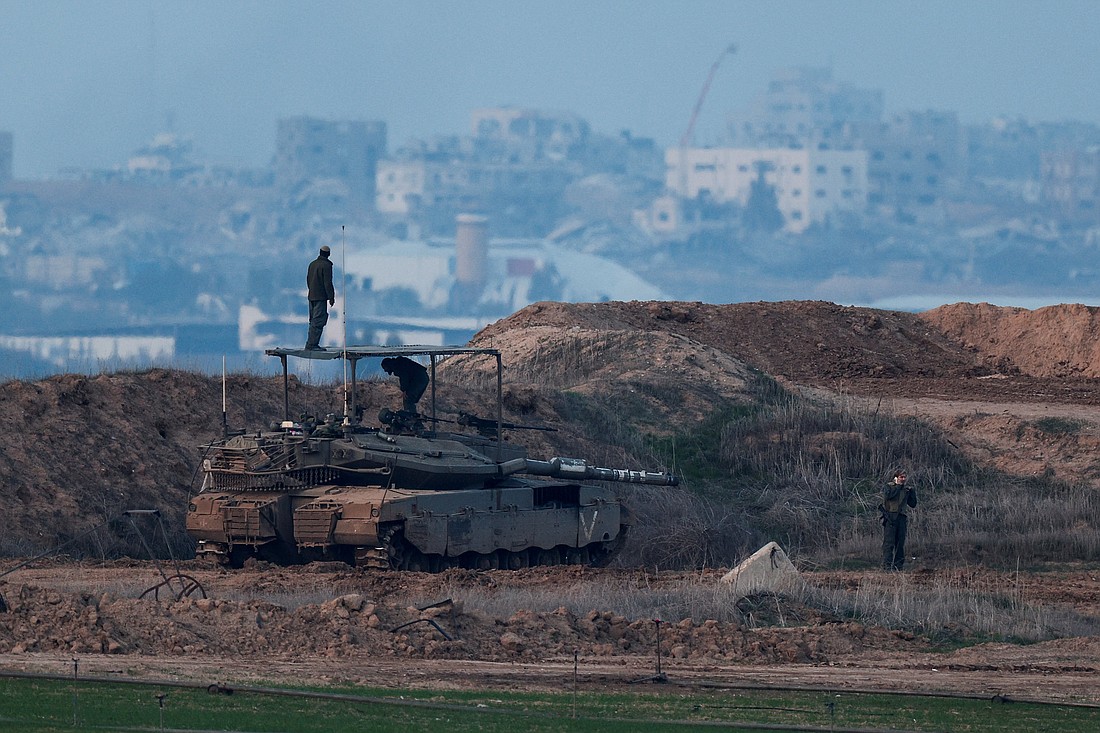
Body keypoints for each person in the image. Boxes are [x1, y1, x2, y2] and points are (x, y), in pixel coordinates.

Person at [880, 470, 918, 571]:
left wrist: (912, 493)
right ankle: (887, 566)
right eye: (901, 477)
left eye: (904, 477)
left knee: (900, 543)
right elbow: (889, 496)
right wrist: (898, 486)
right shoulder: (889, 487)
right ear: (896, 478)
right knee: (889, 543)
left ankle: (898, 566)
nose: (903, 479)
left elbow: (913, 504)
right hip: (890, 517)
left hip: (901, 517)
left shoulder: (906, 490)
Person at [304, 245, 335, 350]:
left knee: (312, 321)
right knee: (318, 321)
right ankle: (312, 345)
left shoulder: (312, 264)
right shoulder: (326, 266)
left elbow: (308, 280)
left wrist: (312, 290)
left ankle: (310, 343)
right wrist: (331, 297)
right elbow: (327, 283)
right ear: (328, 254)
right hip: (321, 297)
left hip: (311, 296)